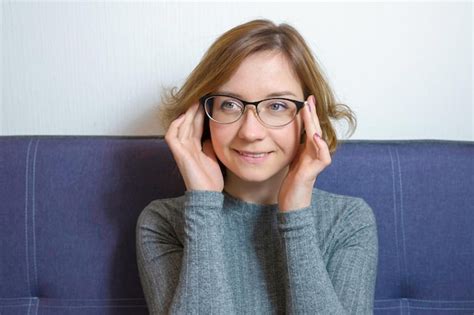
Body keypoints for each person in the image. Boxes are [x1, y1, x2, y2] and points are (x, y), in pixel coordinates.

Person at [136, 19, 378, 314]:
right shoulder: (163, 223)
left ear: (307, 118)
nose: (250, 132)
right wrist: (203, 205)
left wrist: (296, 215)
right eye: (229, 104)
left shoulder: (348, 221)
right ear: (201, 114)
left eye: (277, 106)